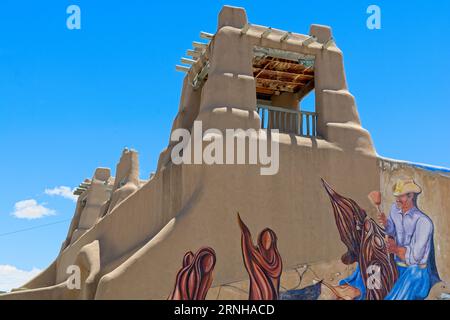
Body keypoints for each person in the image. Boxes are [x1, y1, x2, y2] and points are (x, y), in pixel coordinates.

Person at [339, 179, 440, 300]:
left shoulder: (423, 222)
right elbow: (392, 231)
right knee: (373, 267)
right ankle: (370, 294)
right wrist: (387, 224)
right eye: (396, 196)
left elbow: (415, 258)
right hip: (395, 264)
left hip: (414, 272)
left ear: (411, 196)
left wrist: (396, 249)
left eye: (400, 196)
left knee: (394, 296)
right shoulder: (394, 210)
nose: (397, 199)